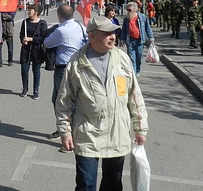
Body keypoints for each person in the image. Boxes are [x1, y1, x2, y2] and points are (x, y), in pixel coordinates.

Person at [55, 16, 148, 191]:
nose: (112, 36)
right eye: (106, 33)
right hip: (88, 132)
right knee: (86, 184)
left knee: (113, 184)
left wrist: (140, 127)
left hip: (117, 132)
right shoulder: (77, 63)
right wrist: (65, 132)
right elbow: (64, 101)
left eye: (113, 32)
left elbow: (134, 96)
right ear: (92, 36)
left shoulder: (122, 59)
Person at [43, 4, 87, 142]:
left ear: (59, 15)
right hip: (79, 66)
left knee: (60, 100)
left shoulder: (61, 30)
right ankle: (68, 129)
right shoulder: (81, 27)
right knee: (73, 100)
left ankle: (67, 132)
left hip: (63, 68)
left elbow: (47, 43)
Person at [19, 4, 47, 99]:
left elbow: (43, 38)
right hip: (26, 50)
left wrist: (31, 39)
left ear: (36, 12)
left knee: (36, 70)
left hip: (37, 50)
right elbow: (21, 34)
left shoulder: (42, 23)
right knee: (24, 69)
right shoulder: (25, 22)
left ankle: (36, 90)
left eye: (31, 9)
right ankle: (25, 88)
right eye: (29, 9)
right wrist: (23, 40)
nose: (29, 11)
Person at [119, 1, 154, 76]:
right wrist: (122, 40)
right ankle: (133, 74)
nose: (128, 11)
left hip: (140, 41)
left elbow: (148, 28)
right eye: (127, 9)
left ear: (135, 10)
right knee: (131, 58)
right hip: (130, 40)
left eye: (129, 10)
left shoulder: (142, 17)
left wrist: (151, 38)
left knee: (139, 58)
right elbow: (124, 30)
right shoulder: (126, 19)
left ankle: (137, 70)